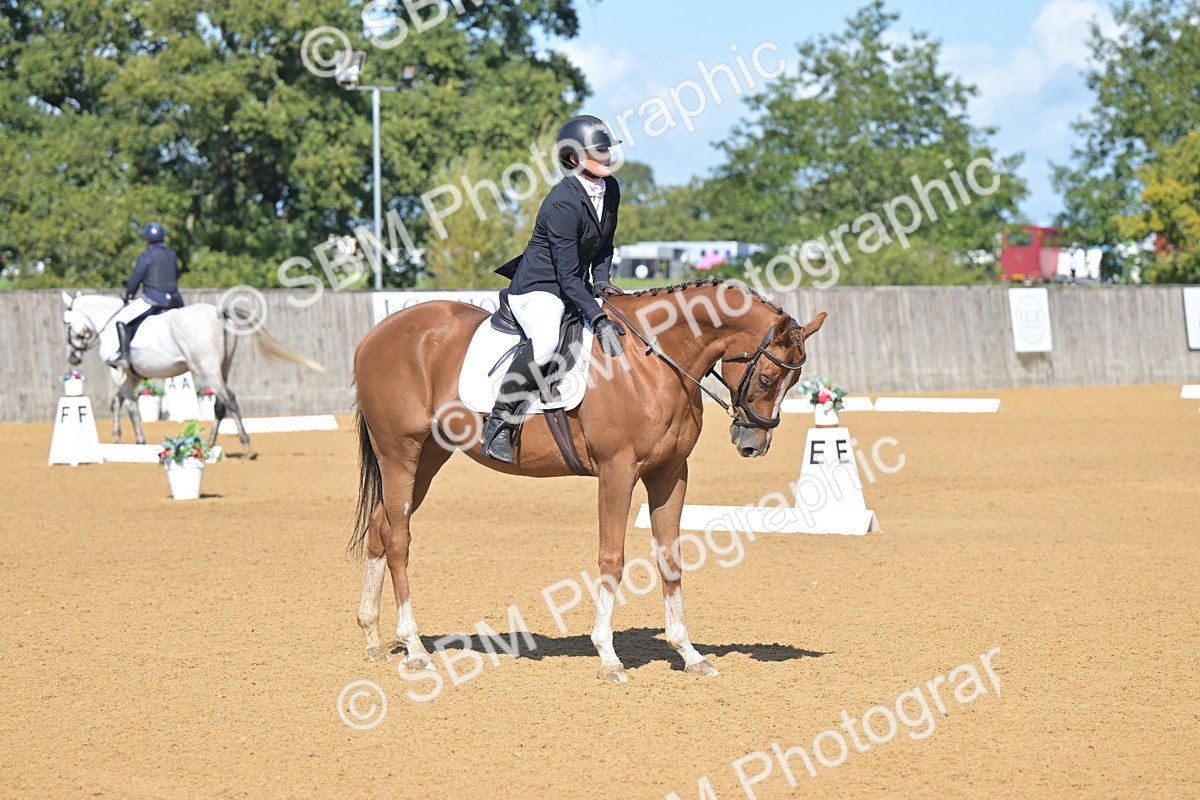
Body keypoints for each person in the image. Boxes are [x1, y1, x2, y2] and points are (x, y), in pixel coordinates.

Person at [480, 115, 629, 463]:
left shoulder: (612, 189)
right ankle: (498, 422)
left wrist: (603, 283)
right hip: (539, 288)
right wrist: (597, 317)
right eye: (599, 150)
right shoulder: (562, 202)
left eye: (608, 149)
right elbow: (565, 274)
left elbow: (605, 246)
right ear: (573, 158)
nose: (607, 155)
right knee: (546, 343)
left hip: (574, 285)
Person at [108, 222, 184, 368]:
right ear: (163, 238)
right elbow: (176, 274)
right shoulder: (171, 254)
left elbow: (136, 277)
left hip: (153, 299)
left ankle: (124, 356)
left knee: (121, 319)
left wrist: (129, 295)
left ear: (147, 240)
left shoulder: (146, 255)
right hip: (175, 300)